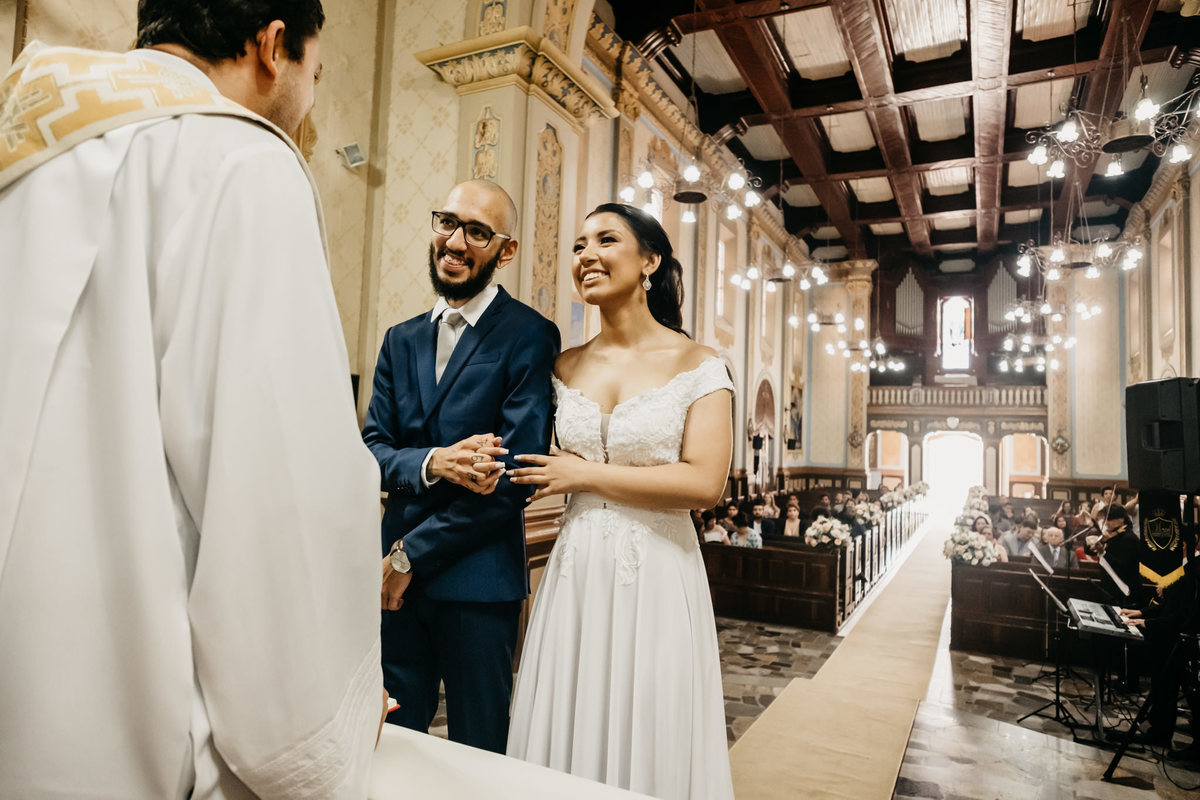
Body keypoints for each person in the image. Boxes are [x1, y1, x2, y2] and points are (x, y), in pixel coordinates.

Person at [0, 3, 387, 797]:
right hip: (124, 707)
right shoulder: (239, 157)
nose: (311, 100)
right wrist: (320, 732)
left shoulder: (29, 159)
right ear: (274, 46)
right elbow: (279, 494)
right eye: (317, 73)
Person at [506, 202, 735, 799]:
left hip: (658, 568)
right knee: (571, 709)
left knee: (650, 715)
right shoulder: (562, 364)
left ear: (649, 260)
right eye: (579, 245)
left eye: (606, 239)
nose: (586, 255)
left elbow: (704, 484)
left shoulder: (698, 363)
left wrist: (583, 475)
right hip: (576, 567)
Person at [362, 180, 560, 754]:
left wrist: (408, 556)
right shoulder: (400, 341)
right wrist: (432, 462)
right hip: (393, 590)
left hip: (476, 584)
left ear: (506, 250)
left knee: (477, 750)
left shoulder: (528, 336)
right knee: (391, 740)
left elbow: (511, 480)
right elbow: (371, 448)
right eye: (447, 222)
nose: (455, 241)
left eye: (477, 231)